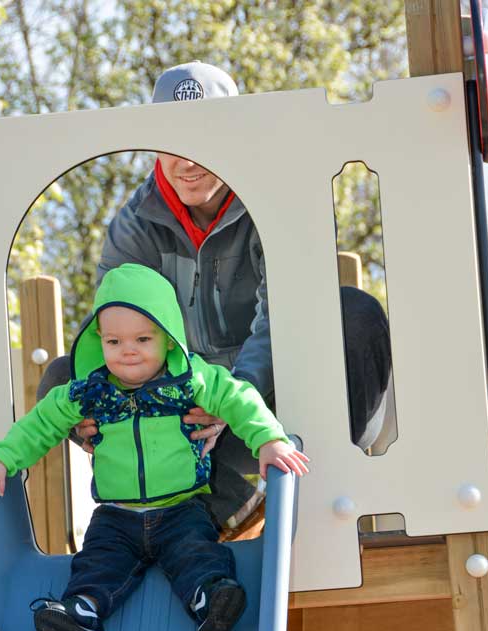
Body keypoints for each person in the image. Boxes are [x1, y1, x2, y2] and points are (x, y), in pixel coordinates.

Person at [39, 60, 391, 528]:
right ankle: (176, 503)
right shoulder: (137, 226)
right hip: (187, 403)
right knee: (64, 376)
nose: (186, 161)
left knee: (353, 312)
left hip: (273, 393)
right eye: (171, 142)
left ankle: (330, 467)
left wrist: (232, 398)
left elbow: (284, 317)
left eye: (202, 142)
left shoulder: (276, 200)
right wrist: (104, 405)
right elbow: (118, 326)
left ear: (236, 137)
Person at [0, 264, 309, 631]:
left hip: (180, 507)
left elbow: (239, 398)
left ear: (168, 337)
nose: (128, 351)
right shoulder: (88, 393)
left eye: (143, 338)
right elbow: (39, 424)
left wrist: (268, 440)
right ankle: (81, 614)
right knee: (97, 562)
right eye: (114, 342)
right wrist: (1, 460)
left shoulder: (192, 381)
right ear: (100, 341)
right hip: (116, 514)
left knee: (196, 553)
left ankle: (212, 600)